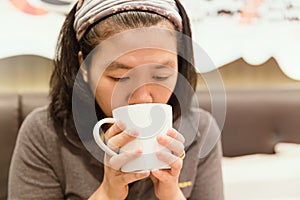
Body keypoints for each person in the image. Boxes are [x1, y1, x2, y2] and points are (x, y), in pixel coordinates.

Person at [8, 0, 224, 199]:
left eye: (160, 76)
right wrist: (107, 193)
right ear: (84, 67)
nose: (142, 99)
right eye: (120, 77)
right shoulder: (46, 134)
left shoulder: (200, 131)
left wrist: (171, 194)